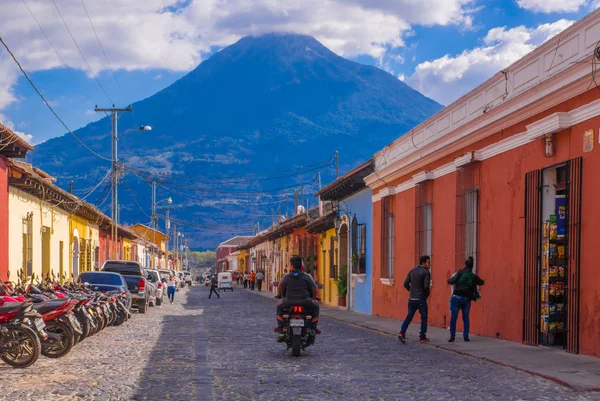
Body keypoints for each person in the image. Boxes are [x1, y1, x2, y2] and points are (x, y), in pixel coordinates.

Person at [275, 256, 319, 343]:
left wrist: (280, 295)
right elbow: (314, 288)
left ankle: (282, 328)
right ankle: (313, 328)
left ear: (291, 266)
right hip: (305, 301)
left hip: (288, 301)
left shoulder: (286, 276)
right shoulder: (308, 276)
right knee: (316, 308)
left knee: (279, 308)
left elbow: (280, 286)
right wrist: (314, 298)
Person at [447, 257, 484, 342]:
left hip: (456, 297)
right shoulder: (473, 276)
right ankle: (466, 337)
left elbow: (451, 281)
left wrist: (449, 279)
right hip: (466, 298)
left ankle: (452, 336)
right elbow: (481, 282)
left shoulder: (460, 272)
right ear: (472, 266)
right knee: (466, 317)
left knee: (454, 317)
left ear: (465, 264)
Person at [398, 255, 432, 344]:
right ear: (423, 263)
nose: (430, 264)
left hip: (412, 298)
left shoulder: (412, 271)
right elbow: (426, 286)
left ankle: (402, 332)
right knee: (424, 318)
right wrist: (425, 295)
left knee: (409, 316)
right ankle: (422, 336)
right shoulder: (426, 272)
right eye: (428, 262)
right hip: (421, 299)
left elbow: (405, 284)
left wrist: (411, 290)